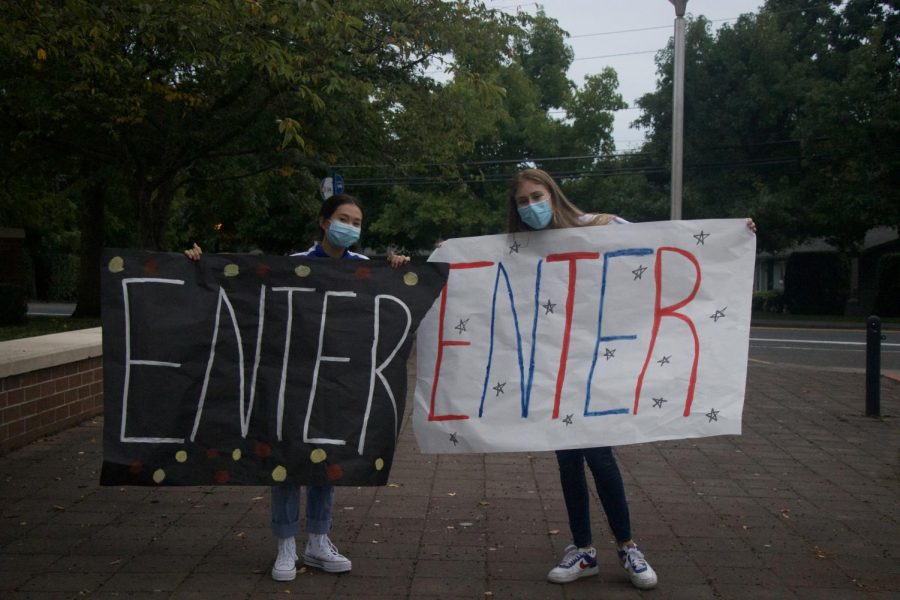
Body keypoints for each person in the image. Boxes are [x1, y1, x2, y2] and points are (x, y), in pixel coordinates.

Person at [507, 168, 756, 589]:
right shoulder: (520, 247)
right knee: (567, 458)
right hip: (555, 367)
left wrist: (731, 237)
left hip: (601, 363)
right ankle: (583, 549)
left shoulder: (600, 227)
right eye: (523, 201)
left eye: (537, 195)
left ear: (553, 193)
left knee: (599, 454)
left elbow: (663, 246)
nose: (532, 206)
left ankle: (626, 545)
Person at [186, 193, 410, 582]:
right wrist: (201, 265)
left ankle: (319, 540)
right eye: (344, 219)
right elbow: (247, 293)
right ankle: (286, 543)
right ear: (324, 222)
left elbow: (395, 302)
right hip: (293, 379)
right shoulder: (292, 266)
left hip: (339, 380)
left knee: (327, 455)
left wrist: (397, 269)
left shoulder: (367, 269)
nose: (350, 228)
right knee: (288, 459)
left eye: (357, 222)